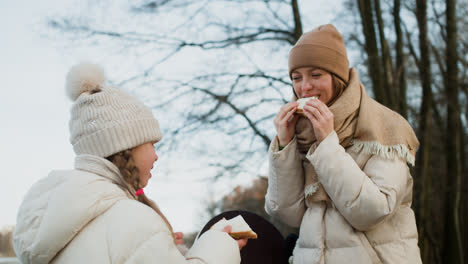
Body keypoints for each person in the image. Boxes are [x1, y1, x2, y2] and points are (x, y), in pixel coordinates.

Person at [13, 63, 246, 264]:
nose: (156, 155)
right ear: (126, 145)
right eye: (152, 144)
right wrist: (218, 247)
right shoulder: (131, 219)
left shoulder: (59, 217)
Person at [264, 24, 422, 264]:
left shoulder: (385, 127)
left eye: (316, 75)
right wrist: (285, 145)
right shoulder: (302, 133)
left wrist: (327, 143)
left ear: (337, 78)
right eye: (297, 78)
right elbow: (288, 213)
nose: (305, 87)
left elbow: (371, 211)